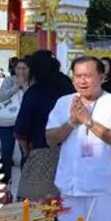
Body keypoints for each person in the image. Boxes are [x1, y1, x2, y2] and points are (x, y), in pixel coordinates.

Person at [45, 57, 111, 221]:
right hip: (70, 187)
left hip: (102, 190)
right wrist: (71, 122)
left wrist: (88, 121)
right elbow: (50, 138)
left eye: (88, 76)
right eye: (78, 76)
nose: (82, 81)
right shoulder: (64, 102)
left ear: (102, 77)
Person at [15, 51, 75, 204]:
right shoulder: (69, 87)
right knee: (67, 202)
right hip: (71, 151)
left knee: (39, 204)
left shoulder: (35, 92)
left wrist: (26, 152)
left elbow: (21, 129)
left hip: (41, 152)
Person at [0, 57, 29, 185]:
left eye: (24, 68)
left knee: (25, 151)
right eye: (18, 68)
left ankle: (24, 181)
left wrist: (24, 86)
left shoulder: (32, 81)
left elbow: (32, 98)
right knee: (6, 150)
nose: (21, 71)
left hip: (25, 120)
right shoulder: (9, 80)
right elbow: (1, 96)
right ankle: (6, 180)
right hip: (7, 120)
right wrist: (16, 87)